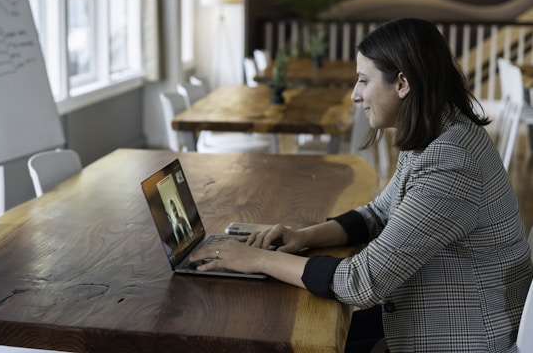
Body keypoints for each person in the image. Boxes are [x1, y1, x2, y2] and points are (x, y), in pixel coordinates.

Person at [189, 18, 533, 352]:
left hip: (463, 338)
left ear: (402, 83)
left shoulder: (452, 159)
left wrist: (256, 261)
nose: (355, 95)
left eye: (363, 81)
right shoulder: (439, 132)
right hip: (431, 316)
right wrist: (303, 236)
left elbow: (363, 282)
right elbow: (378, 213)